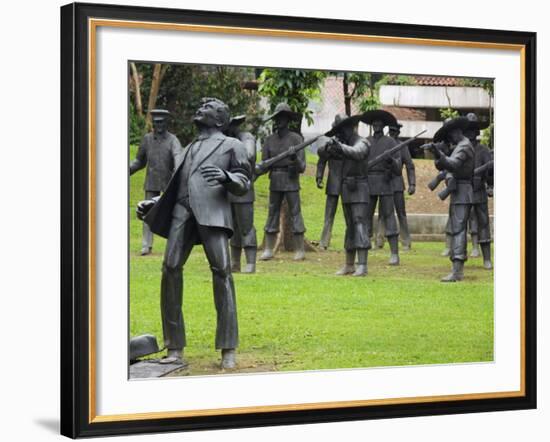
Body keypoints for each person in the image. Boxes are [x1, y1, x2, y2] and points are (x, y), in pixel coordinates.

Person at [137, 98, 251, 369]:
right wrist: (154, 203)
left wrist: (227, 177)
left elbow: (245, 180)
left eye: (208, 107)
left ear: (221, 120)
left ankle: (228, 348)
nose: (200, 109)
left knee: (222, 272)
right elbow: (177, 184)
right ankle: (174, 345)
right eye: (200, 106)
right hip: (181, 212)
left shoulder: (232, 145)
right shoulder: (189, 147)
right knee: (170, 269)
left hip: (212, 213)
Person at [426, 116, 475, 282]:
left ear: (457, 132)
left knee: (459, 230)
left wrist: (439, 153)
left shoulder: (465, 146)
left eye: (450, 134)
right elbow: (443, 165)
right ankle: (456, 269)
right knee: (456, 228)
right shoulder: (459, 146)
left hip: (463, 191)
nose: (449, 138)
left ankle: (457, 270)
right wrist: (437, 152)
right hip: (458, 192)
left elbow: (453, 164)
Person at [323, 114, 371, 276]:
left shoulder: (362, 142)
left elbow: (357, 153)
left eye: (341, 130)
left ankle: (362, 265)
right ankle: (349, 264)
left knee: (359, 223)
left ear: (349, 128)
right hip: (346, 188)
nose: (340, 134)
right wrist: (331, 146)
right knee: (350, 226)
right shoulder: (342, 144)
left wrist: (341, 147)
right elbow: (321, 153)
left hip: (360, 188)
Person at [259, 103, 307, 261]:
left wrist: (293, 158)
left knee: (296, 213)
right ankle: (268, 249)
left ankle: (300, 249)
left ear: (287, 120)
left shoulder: (296, 139)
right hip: (275, 180)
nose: (279, 121)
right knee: (272, 213)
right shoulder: (269, 140)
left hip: (291, 179)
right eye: (277, 118)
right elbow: (263, 166)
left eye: (282, 118)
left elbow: (302, 167)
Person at [130, 109, 182, 255]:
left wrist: (177, 176)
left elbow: (178, 158)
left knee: (171, 214)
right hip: (151, 181)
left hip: (168, 182)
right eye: (156, 122)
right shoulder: (147, 139)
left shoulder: (173, 140)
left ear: (166, 123)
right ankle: (146, 245)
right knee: (147, 213)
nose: (158, 125)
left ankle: (172, 245)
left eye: (161, 122)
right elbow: (139, 161)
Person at [362, 110, 402, 265]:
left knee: (389, 216)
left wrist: (391, 161)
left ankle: (394, 253)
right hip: (368, 182)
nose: (376, 125)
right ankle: (363, 250)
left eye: (379, 123)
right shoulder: (365, 142)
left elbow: (398, 168)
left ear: (384, 125)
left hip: (385, 182)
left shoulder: (391, 142)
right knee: (366, 217)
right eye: (374, 122)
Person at [224, 115, 258, 273]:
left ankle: (250, 262)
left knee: (246, 226)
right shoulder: (226, 140)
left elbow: (249, 155)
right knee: (233, 227)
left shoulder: (246, 138)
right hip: (229, 189)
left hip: (243, 189)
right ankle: (235, 261)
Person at [375, 122, 416, 250]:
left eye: (395, 131)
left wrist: (412, 184)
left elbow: (409, 166)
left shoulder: (402, 146)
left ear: (398, 133)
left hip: (397, 183)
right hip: (384, 182)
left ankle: (405, 241)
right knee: (382, 213)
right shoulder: (383, 143)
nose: (392, 133)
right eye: (391, 131)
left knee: (401, 213)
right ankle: (379, 240)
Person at [464, 112, 493, 269]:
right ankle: (459, 257)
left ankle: (487, 258)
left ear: (477, 133)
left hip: (479, 190)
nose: (470, 133)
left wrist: (489, 175)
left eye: (473, 130)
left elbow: (490, 174)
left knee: (483, 223)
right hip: (463, 190)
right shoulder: (460, 149)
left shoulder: (483, 150)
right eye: (467, 130)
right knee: (461, 224)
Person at [316, 136, 344, 249]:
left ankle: (352, 241)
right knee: (329, 214)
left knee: (350, 215)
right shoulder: (330, 144)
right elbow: (321, 160)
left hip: (348, 182)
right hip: (333, 182)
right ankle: (324, 241)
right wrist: (319, 177)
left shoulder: (351, 142)